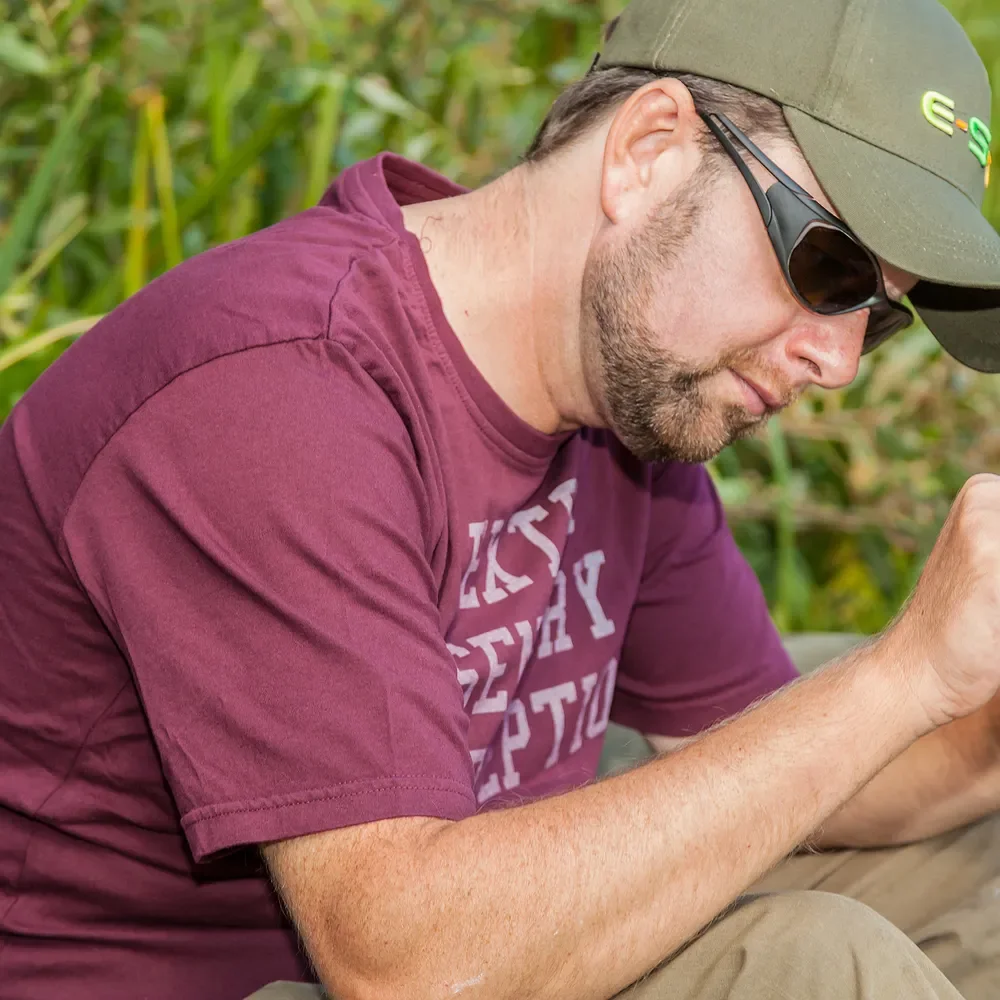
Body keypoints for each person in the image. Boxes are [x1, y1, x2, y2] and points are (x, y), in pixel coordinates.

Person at [4, 0, 1000, 995]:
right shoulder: (276, 393)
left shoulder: (631, 405)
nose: (835, 363)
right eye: (827, 269)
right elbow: (406, 964)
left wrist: (965, 696)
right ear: (646, 151)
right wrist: (896, 678)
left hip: (468, 912)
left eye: (877, 320)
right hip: (262, 970)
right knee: (813, 966)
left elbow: (767, 758)